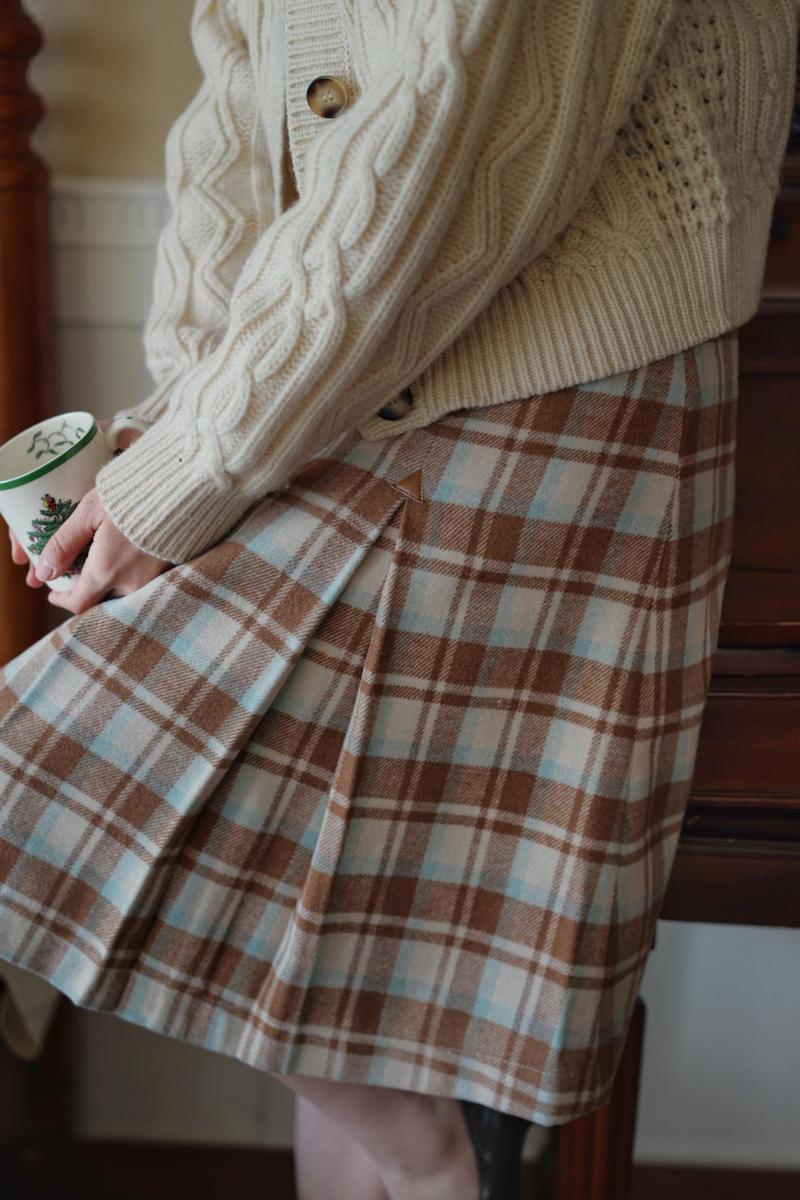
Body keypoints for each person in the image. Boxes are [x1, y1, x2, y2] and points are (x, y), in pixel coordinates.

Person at [1, 1, 797, 1196]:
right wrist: (182, 417)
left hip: (546, 384)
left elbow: (456, 145)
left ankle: (437, 1160)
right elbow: (232, 119)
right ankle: (430, 1154)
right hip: (337, 375)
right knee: (344, 1000)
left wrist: (191, 471)